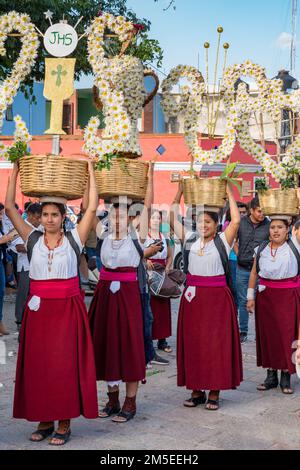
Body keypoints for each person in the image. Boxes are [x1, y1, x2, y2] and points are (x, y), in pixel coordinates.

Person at [5, 162, 98, 446]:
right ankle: (44, 420)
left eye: (54, 214)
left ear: (62, 217)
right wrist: (16, 168)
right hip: (39, 312)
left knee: (64, 367)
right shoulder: (32, 238)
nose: (48, 219)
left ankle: (64, 422)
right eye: (44, 214)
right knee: (40, 367)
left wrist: (90, 169)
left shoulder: (74, 239)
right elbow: (10, 206)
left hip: (67, 311)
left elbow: (92, 208)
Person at [88, 164, 161, 423]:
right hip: (106, 294)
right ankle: (112, 399)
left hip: (129, 295)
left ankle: (130, 403)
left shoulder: (136, 236)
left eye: (122, 216)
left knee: (129, 345)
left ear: (131, 218)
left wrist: (150, 175)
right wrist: (91, 172)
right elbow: (89, 205)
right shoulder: (104, 235)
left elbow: (148, 204)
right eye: (113, 216)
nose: (117, 220)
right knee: (107, 344)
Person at [171, 182, 243, 411]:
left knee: (215, 345)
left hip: (218, 301)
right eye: (200, 221)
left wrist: (229, 193)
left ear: (216, 224)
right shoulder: (191, 239)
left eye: (208, 222)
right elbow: (172, 217)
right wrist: (181, 191)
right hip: (193, 301)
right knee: (194, 345)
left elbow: (237, 220)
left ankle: (214, 391)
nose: (203, 225)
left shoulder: (223, 240)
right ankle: (196, 390)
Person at [247, 217, 300, 394]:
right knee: (268, 336)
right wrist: (250, 297)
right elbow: (254, 273)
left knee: (286, 336)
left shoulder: (294, 246)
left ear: (288, 230)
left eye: (280, 227)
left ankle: (286, 376)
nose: (275, 231)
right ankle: (271, 376)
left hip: (288, 297)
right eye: (272, 227)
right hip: (266, 297)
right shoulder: (261, 248)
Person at [236, 197, 270, 343]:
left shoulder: (269, 225)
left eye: (263, 211)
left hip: (261, 271)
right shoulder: (241, 222)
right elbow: (233, 240)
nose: (261, 214)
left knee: (261, 302)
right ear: (251, 210)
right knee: (243, 301)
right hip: (242, 268)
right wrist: (239, 253)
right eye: (259, 211)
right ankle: (243, 331)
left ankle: (260, 332)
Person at [144, 210, 174, 354]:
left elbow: (170, 255)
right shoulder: (143, 237)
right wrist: (146, 260)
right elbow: (138, 253)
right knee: (150, 307)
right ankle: (148, 339)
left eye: (158, 218)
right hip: (149, 275)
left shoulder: (165, 236)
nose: (156, 220)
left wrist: (168, 267)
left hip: (161, 274)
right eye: (153, 218)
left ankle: (162, 340)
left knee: (162, 307)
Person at [14, 203, 42, 331]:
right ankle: (19, 320)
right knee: (23, 294)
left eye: (40, 217)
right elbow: (18, 247)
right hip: (25, 266)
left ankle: (31, 319)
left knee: (36, 293)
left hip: (38, 267)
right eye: (37, 217)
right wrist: (36, 246)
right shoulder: (21, 227)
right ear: (29, 215)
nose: (39, 220)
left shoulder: (41, 227)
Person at [223, 202, 248, 307]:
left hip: (244, 260)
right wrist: (240, 256)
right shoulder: (228, 225)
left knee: (241, 288)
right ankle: (234, 310)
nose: (242, 214)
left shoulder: (248, 224)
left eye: (244, 212)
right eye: (239, 212)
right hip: (233, 259)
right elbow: (232, 243)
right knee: (234, 287)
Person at [0, 203, 16, 336]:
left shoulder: (1, 225)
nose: (1, 216)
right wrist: (4, 239)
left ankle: (0, 322)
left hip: (1, 261)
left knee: (0, 292)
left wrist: (10, 235)